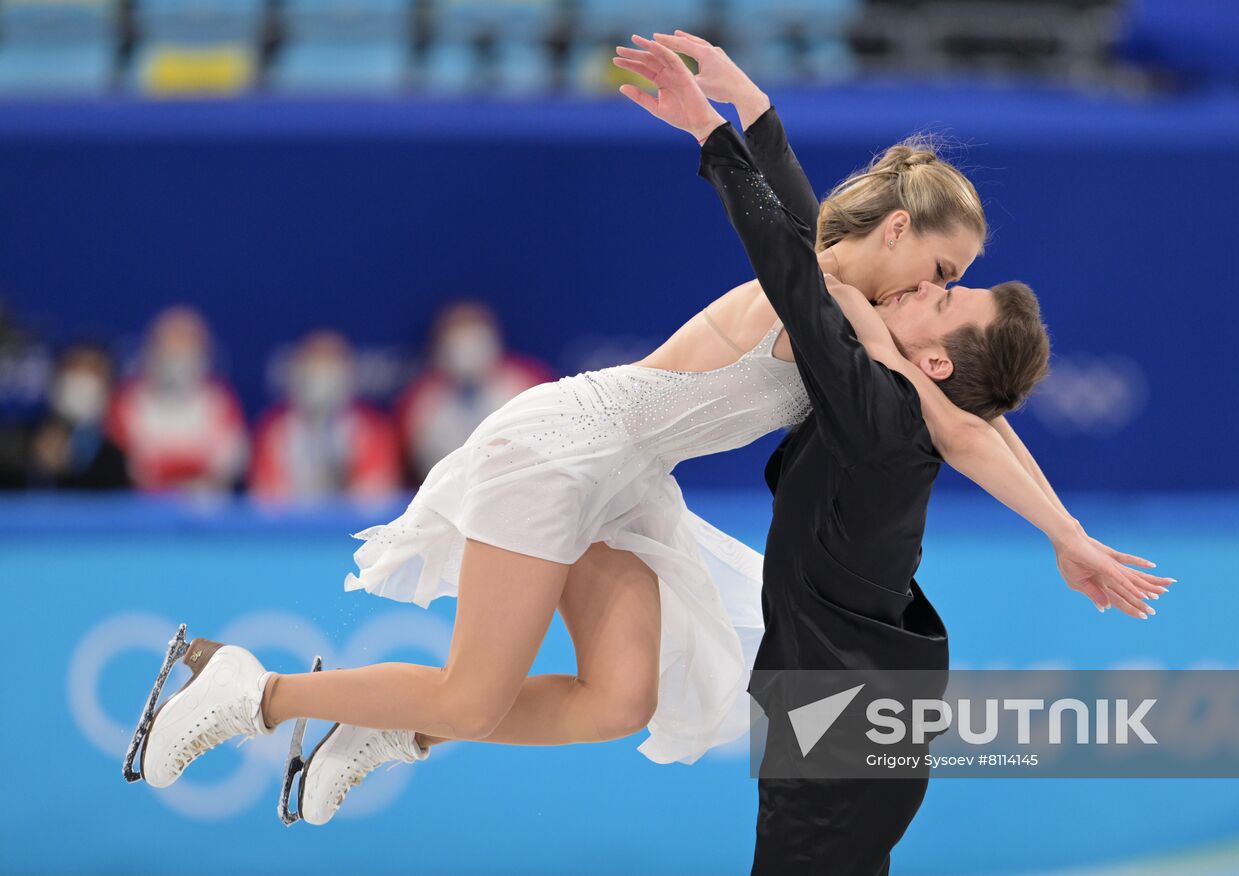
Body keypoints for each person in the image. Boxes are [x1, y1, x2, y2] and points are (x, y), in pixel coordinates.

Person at [127, 35, 1163, 833]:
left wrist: (751, 109)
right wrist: (723, 128)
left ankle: (384, 728)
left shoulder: (851, 310)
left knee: (617, 698)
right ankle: (250, 690)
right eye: (939, 273)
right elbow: (801, 238)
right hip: (563, 450)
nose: (940, 293)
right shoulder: (831, 302)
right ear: (895, 236)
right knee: (476, 690)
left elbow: (961, 419)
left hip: (622, 484)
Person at [396, 302, 551, 483]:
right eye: (456, 340)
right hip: (446, 495)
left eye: (475, 337)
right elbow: (405, 468)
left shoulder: (528, 384)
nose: (467, 349)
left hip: (522, 486)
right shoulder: (419, 400)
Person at [106, 306, 248, 493]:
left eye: (185, 346)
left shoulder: (221, 402)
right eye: (168, 347)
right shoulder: (126, 402)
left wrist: (181, 474)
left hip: (204, 510)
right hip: (141, 509)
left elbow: (229, 463)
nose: (176, 357)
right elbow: (128, 465)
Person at [250, 330, 401, 501]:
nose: (321, 375)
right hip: (291, 525)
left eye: (330, 364)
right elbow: (267, 500)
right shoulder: (274, 430)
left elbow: (374, 499)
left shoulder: (373, 429)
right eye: (312, 365)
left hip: (350, 526)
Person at [23, 343, 129, 490]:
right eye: (75, 367)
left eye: (93, 370)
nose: (82, 380)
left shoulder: (116, 456)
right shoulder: (24, 440)